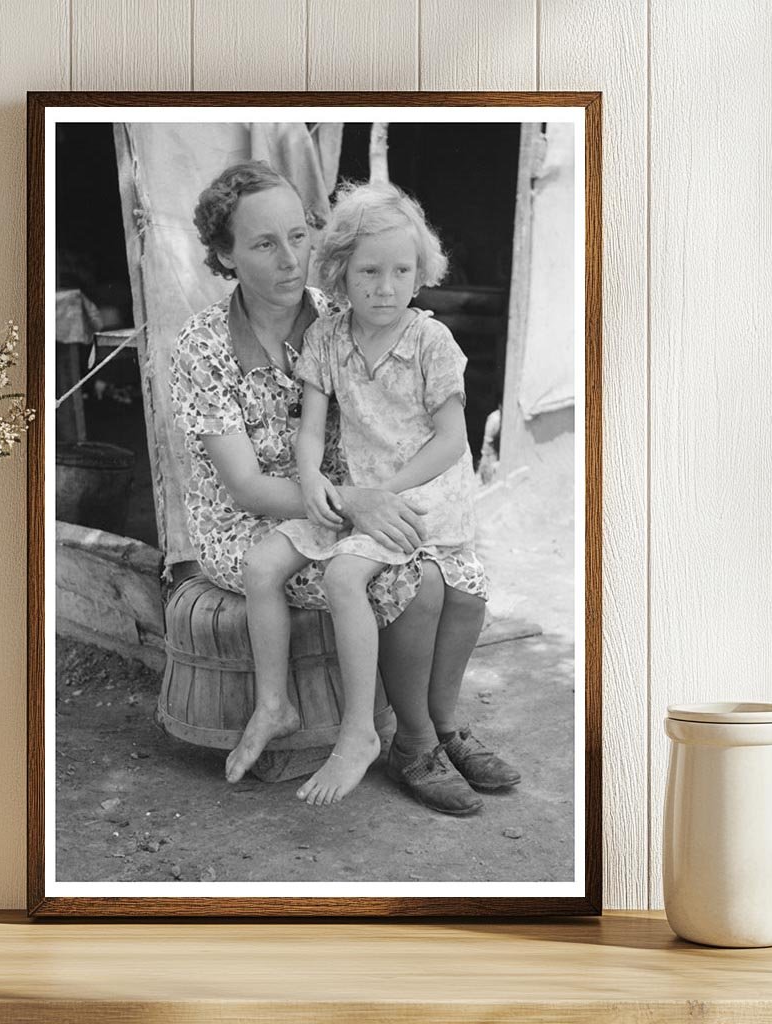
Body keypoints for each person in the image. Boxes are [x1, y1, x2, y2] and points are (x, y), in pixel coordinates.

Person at [170, 162, 516, 816]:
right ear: (224, 253)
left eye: (298, 236)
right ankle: (412, 743)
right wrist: (356, 501)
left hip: (352, 503)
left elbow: (408, 412)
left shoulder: (342, 311)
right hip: (251, 526)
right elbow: (245, 488)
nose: (289, 259)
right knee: (413, 583)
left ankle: (441, 729)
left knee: (451, 569)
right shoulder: (201, 346)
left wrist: (380, 493)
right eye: (263, 243)